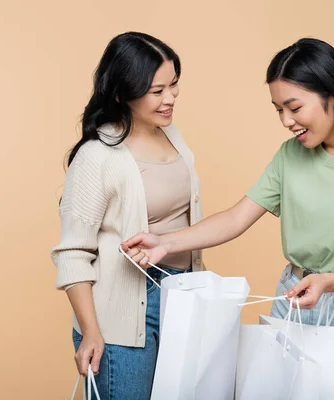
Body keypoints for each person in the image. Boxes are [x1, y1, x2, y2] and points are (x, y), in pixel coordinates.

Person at [121, 37, 334, 328]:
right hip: (292, 295)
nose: (287, 121)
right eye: (279, 110)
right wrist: (165, 242)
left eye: (295, 107)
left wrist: (329, 282)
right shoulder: (291, 155)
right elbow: (236, 218)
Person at [50, 32, 204, 400]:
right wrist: (91, 331)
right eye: (156, 90)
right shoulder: (97, 155)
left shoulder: (173, 136)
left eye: (174, 85)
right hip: (121, 317)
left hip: (181, 298)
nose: (169, 99)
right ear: (122, 94)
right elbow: (72, 253)